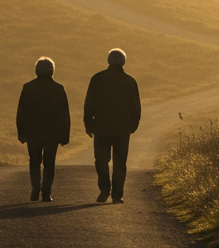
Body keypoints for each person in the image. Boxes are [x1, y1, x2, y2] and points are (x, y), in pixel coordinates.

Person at [84, 48, 141, 204]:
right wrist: (133, 124)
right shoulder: (130, 81)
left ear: (108, 61)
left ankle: (104, 188)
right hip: (123, 128)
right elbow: (136, 106)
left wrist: (88, 124)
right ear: (123, 61)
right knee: (120, 161)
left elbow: (89, 104)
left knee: (101, 159)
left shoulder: (97, 78)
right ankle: (117, 194)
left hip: (101, 126)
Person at [16, 57, 70, 203]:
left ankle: (35, 189)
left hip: (32, 132)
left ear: (36, 70)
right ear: (52, 71)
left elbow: (21, 112)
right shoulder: (58, 88)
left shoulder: (28, 87)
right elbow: (64, 114)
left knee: (34, 161)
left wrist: (21, 132)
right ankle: (46, 193)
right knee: (49, 162)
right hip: (52, 133)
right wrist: (65, 135)